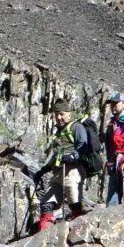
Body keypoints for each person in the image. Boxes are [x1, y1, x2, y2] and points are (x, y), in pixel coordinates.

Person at [35, 98, 89, 231]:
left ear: (69, 115)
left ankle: (78, 230)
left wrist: (74, 155)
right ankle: (44, 231)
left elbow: (83, 144)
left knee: (74, 200)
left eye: (62, 114)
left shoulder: (76, 127)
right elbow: (56, 156)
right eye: (56, 114)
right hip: (58, 171)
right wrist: (43, 170)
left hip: (73, 170)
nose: (59, 117)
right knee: (47, 201)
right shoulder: (59, 133)